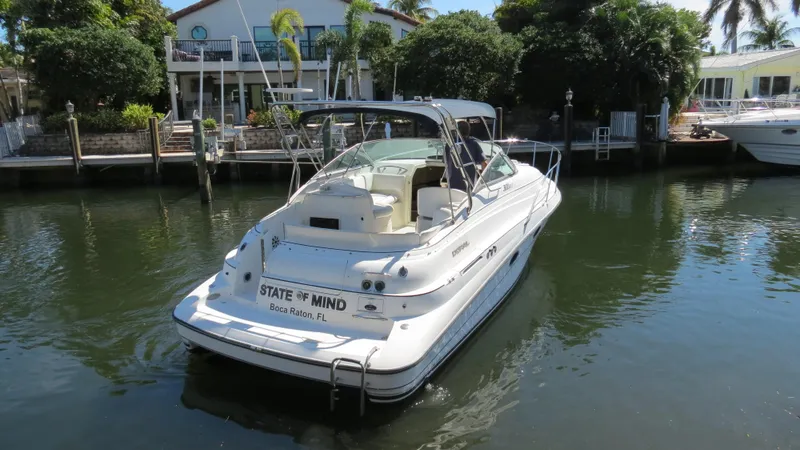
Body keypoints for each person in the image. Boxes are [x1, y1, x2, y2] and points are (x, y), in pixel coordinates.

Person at [444, 120, 488, 192]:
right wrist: (483, 182)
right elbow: (484, 164)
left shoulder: (449, 144)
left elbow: (446, 163)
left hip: (452, 187)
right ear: (468, 131)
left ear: (456, 131)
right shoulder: (473, 144)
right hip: (469, 187)